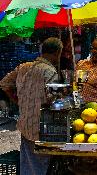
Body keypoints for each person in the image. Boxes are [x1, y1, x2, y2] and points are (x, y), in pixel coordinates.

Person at [0, 37, 63, 175]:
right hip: (42, 127)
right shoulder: (50, 72)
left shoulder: (23, 67)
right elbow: (53, 101)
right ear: (57, 53)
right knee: (41, 165)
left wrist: (17, 100)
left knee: (28, 163)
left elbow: (4, 84)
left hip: (25, 125)